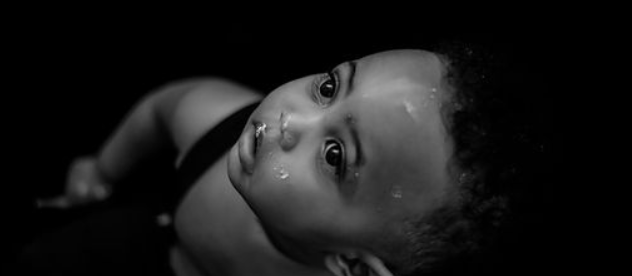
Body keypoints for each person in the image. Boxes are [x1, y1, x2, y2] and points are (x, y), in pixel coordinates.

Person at [20, 43, 546, 276]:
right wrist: (102, 169)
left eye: (335, 154)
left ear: (356, 268)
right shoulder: (220, 125)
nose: (289, 120)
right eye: (327, 87)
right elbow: (166, 106)